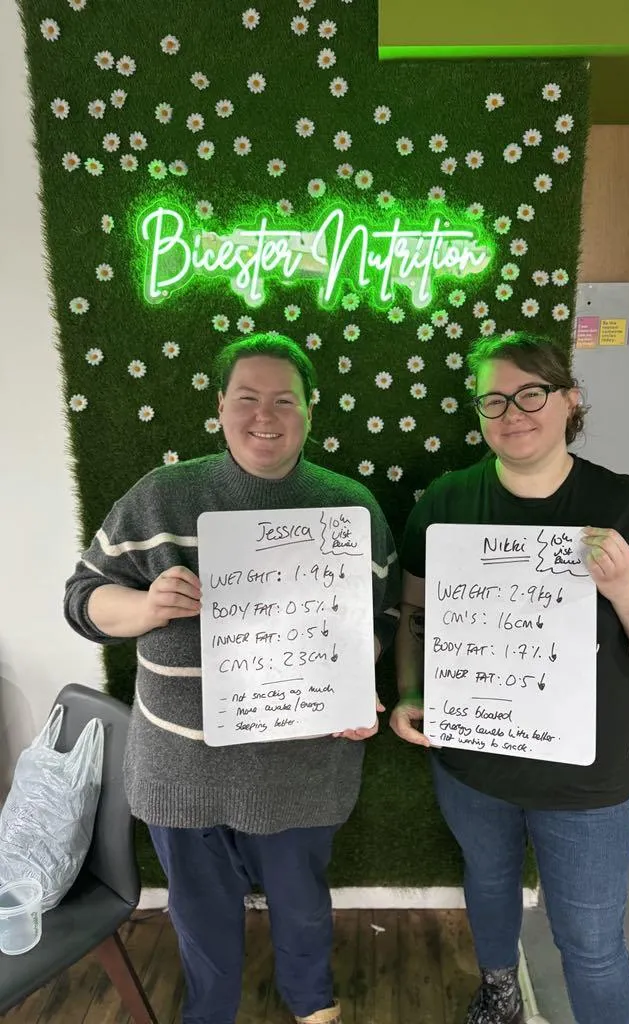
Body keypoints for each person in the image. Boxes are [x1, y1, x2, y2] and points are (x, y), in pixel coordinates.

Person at [64, 334, 400, 1024]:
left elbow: (382, 615)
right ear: (220, 406)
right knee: (198, 910)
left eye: (284, 400)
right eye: (246, 398)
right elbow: (83, 598)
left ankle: (312, 1002)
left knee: (302, 903)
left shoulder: (351, 508)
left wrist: (354, 681)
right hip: (182, 762)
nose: (264, 416)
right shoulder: (161, 497)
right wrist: (146, 605)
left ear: (311, 410)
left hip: (303, 762)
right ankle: (209, 1011)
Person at [390, 332, 629, 1024]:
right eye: (493, 399)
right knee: (490, 882)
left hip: (583, 782)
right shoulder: (446, 500)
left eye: (531, 393)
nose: (513, 412)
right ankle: (500, 988)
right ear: (478, 414)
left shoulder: (624, 505)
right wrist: (411, 691)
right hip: (472, 762)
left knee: (590, 946)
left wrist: (624, 590)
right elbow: (413, 608)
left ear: (569, 401)